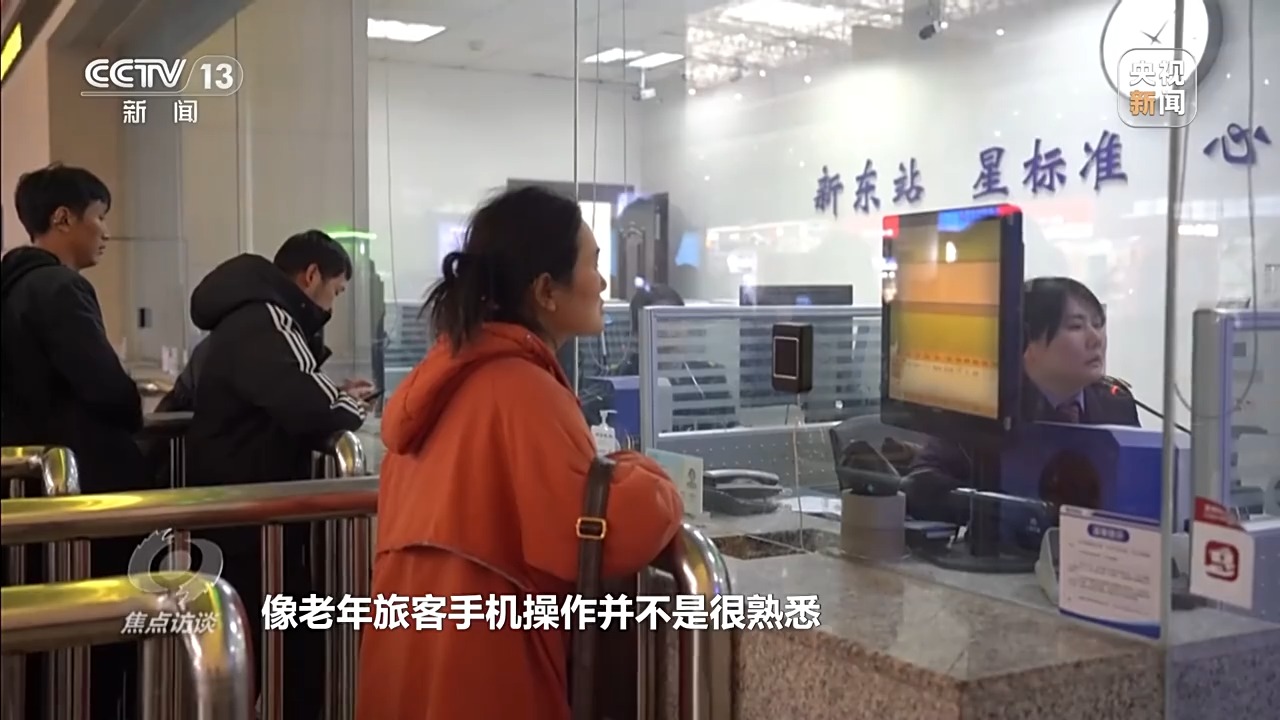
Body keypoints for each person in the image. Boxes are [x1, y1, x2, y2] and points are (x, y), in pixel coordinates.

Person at [356, 186, 684, 720]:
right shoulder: (522, 390)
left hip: (407, 669)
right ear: (546, 291)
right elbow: (600, 534)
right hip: (486, 676)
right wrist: (647, 474)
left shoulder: (439, 381)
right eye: (593, 263)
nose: (603, 283)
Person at [181, 230, 373, 719]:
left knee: (255, 653)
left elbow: (287, 386)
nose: (332, 306)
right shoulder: (268, 317)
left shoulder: (245, 316)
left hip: (233, 510)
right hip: (252, 519)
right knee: (289, 656)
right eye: (336, 291)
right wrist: (355, 404)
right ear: (312, 275)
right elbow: (312, 406)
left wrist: (332, 391)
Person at [0, 164, 145, 719]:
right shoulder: (59, 287)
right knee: (98, 644)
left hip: (30, 496)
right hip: (83, 492)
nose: (105, 232)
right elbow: (107, 389)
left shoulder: (12, 287)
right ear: (63, 218)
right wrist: (131, 404)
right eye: (99, 217)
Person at [904, 276, 1140, 524]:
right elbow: (922, 484)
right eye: (1076, 327)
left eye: (1098, 324)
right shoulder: (986, 406)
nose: (1096, 339)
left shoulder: (1116, 404)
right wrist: (999, 512)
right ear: (1027, 340)